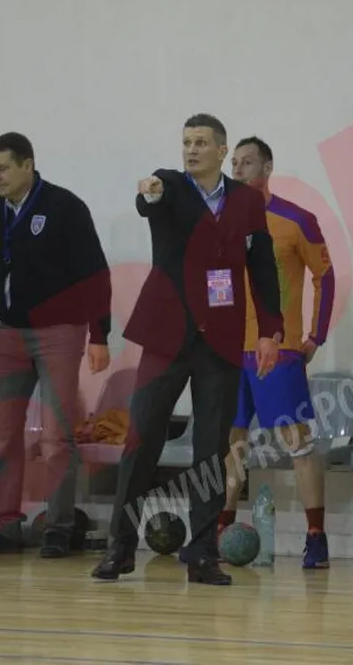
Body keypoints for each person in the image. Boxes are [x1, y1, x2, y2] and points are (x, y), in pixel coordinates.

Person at [91, 113, 284, 586]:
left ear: (222, 151)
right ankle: (120, 548)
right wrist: (149, 192)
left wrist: (270, 330)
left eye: (201, 142)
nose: (192, 149)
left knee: (211, 450)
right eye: (186, 142)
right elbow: (149, 200)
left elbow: (261, 266)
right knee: (141, 440)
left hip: (220, 338)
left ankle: (201, 554)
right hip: (167, 335)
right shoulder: (171, 186)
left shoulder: (245, 200)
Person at [0, 131, 112, 558]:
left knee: (56, 436)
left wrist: (100, 334)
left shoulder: (64, 206)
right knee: (1, 433)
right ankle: (5, 524)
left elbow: (95, 274)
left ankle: (58, 526)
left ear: (28, 165)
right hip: (9, 332)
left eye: (3, 168)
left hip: (59, 333)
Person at [215, 136, 335, 568]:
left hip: (278, 349)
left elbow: (325, 275)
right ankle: (221, 527)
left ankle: (316, 537)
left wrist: (315, 335)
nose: (238, 169)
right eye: (234, 163)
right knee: (231, 441)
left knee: (296, 441)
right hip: (231, 351)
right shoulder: (222, 220)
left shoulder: (296, 219)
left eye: (247, 162)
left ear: (267, 168)